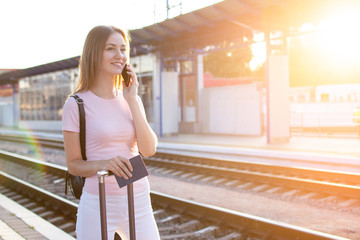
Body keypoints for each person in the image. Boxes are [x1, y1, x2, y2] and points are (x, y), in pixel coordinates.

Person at [62, 25, 160, 240]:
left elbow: (149, 149)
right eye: (111, 49)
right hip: (97, 202)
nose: (120, 56)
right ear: (94, 53)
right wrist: (103, 164)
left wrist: (132, 99)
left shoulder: (131, 99)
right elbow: (73, 164)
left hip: (138, 198)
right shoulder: (76, 103)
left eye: (123, 49)